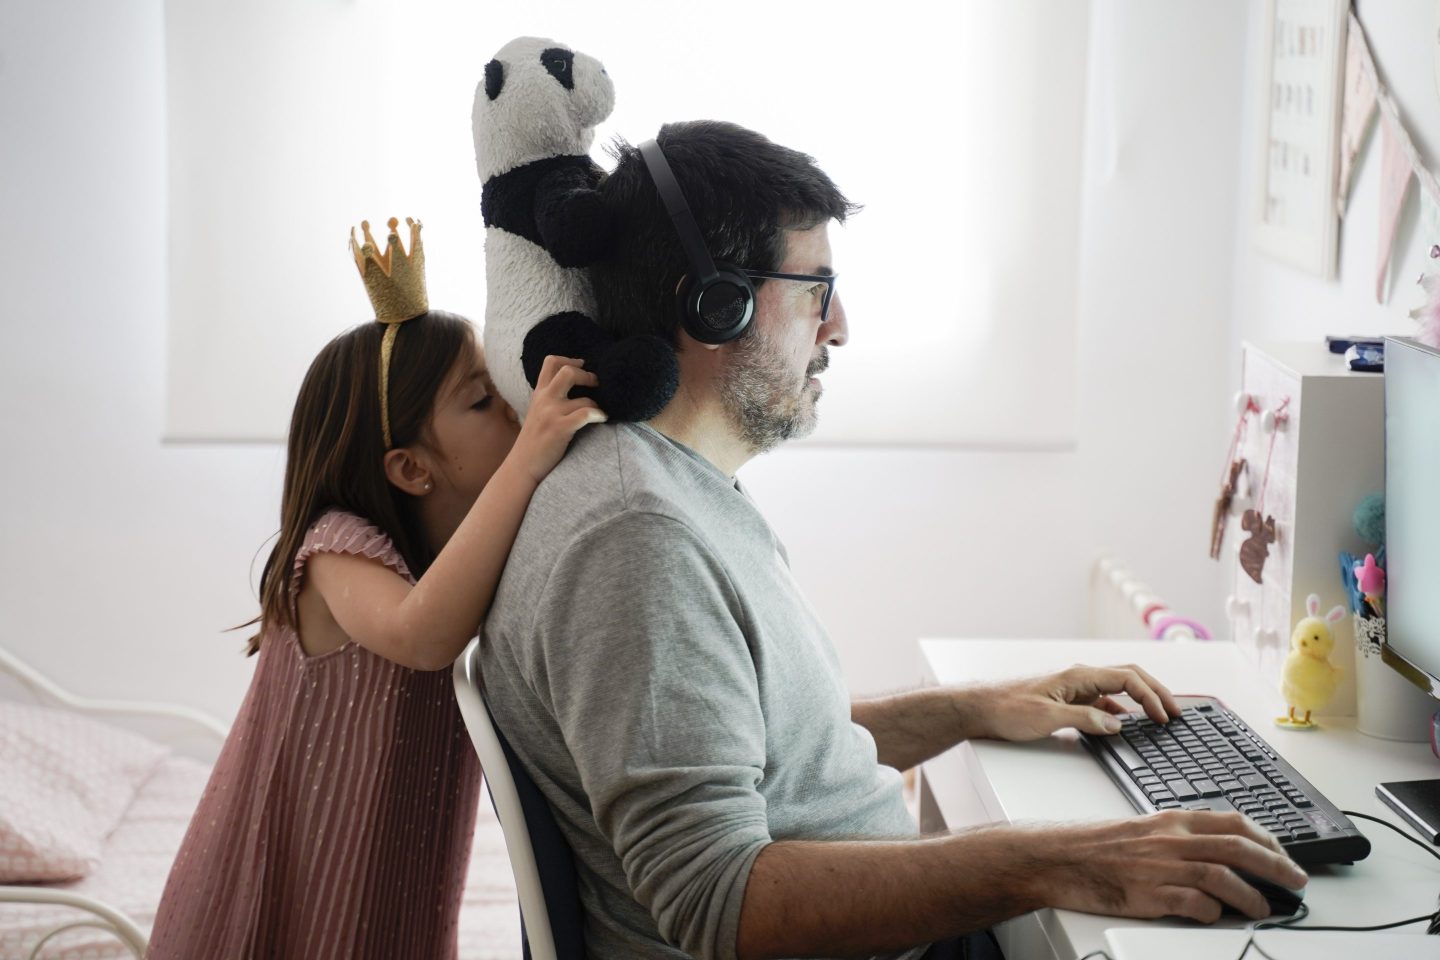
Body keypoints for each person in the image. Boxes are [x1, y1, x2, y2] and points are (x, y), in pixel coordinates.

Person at [477, 123, 1309, 960]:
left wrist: (974, 707)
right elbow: (715, 899)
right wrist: (1064, 861)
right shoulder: (639, 540)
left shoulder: (663, 488)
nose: (838, 326)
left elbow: (766, 750)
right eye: (815, 287)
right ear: (713, 304)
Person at [146, 219, 605, 960]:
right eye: (482, 400)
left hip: (388, 884)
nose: (516, 412)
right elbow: (421, 638)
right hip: (279, 888)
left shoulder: (452, 559)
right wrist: (528, 458)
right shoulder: (334, 549)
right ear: (411, 469)